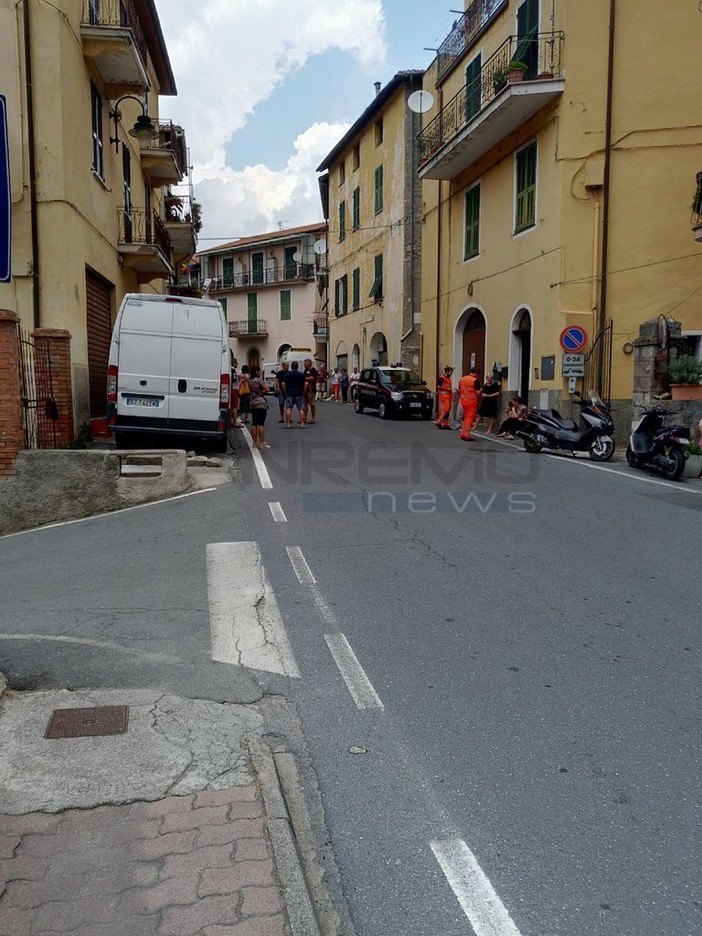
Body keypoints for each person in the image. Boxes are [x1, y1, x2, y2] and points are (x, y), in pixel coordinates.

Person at [248, 366, 271, 448]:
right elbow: (267, 389)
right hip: (261, 403)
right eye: (259, 371)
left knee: (254, 423)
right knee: (261, 423)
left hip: (253, 402)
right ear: (257, 372)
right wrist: (263, 391)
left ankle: (254, 443)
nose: (261, 372)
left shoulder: (250, 381)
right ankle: (262, 443)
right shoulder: (259, 380)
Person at [457, 367, 481, 441]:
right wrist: (481, 390)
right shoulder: (475, 380)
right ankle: (466, 435)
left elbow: (459, 390)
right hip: (472, 402)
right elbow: (477, 393)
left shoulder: (462, 379)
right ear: (476, 372)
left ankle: (463, 433)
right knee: (469, 419)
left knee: (466, 418)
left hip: (463, 401)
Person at [281, 360, 307, 427]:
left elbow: (283, 384)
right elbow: (306, 383)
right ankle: (302, 424)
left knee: (288, 408)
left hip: (289, 393)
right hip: (299, 393)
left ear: (291, 367)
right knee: (301, 409)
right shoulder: (301, 375)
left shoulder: (287, 375)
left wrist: (285, 392)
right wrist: (303, 392)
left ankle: (288, 424)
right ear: (297, 367)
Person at [435, 365, 454, 429]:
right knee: (445, 410)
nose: (451, 374)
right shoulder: (442, 378)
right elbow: (438, 386)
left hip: (448, 396)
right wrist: (447, 389)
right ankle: (439, 422)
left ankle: (446, 424)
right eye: (450, 372)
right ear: (447, 372)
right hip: (444, 396)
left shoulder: (448, 379)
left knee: (447, 410)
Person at [302, 358, 318, 423]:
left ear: (309, 364)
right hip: (305, 390)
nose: (304, 365)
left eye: (305, 364)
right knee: (305, 404)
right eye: (304, 364)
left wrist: (304, 378)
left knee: (312, 404)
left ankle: (313, 418)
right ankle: (304, 418)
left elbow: (312, 378)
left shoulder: (313, 370)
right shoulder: (305, 370)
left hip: (311, 390)